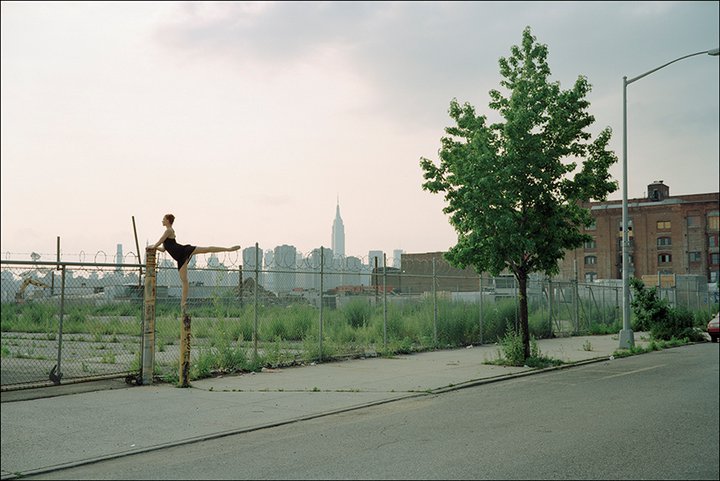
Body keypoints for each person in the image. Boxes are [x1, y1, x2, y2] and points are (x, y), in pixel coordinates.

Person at [149, 214, 240, 309]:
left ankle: (229, 249)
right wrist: (154, 247)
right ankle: (183, 304)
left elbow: (160, 240)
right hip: (180, 258)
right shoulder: (167, 235)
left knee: (206, 249)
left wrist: (153, 246)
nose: (162, 221)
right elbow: (163, 249)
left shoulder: (169, 230)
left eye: (163, 219)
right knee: (184, 280)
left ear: (168, 220)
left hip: (183, 250)